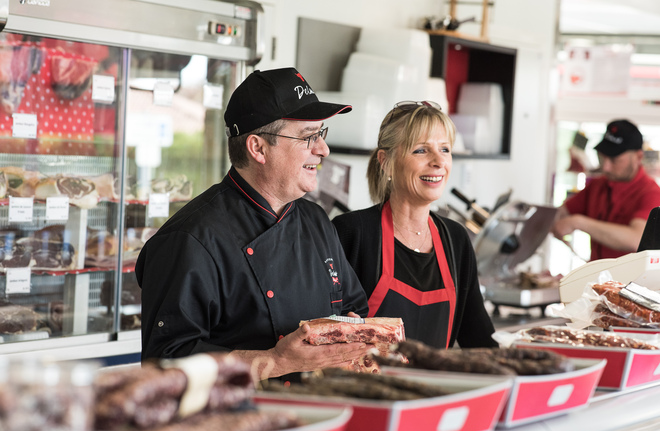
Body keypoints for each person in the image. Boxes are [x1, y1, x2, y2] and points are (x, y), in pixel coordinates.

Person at [136, 67, 371, 379]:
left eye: (321, 133)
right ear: (258, 148)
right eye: (308, 137)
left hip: (317, 411)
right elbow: (164, 363)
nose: (323, 149)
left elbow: (353, 310)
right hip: (237, 420)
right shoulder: (189, 239)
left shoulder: (316, 220)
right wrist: (276, 362)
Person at [332, 101, 497, 349]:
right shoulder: (352, 232)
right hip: (365, 386)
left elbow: (480, 339)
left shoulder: (456, 239)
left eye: (445, 149)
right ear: (386, 161)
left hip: (435, 386)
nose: (438, 161)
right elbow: (323, 330)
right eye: (421, 150)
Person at [552, 119, 660, 261]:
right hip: (598, 279)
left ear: (638, 156)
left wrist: (578, 222)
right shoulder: (598, 185)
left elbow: (636, 239)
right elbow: (560, 214)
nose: (606, 167)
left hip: (630, 282)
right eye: (603, 158)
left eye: (615, 161)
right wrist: (551, 221)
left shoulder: (651, 192)